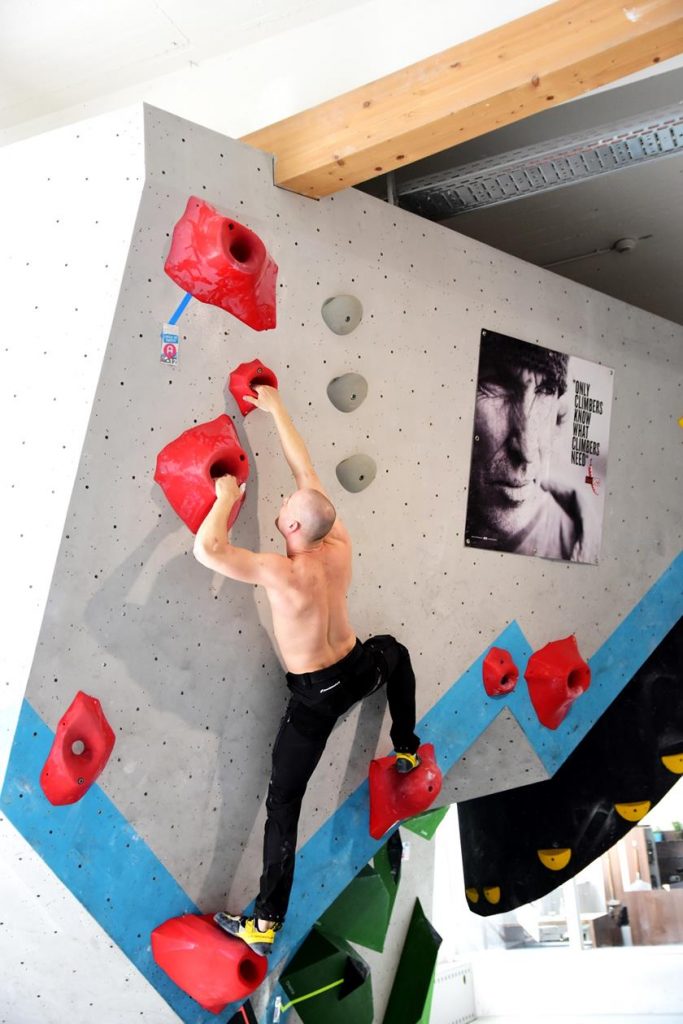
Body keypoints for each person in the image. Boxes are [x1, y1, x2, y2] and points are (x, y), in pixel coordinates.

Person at [193, 385, 421, 956]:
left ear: (292, 530)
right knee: (394, 652)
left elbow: (210, 551)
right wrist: (275, 410)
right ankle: (409, 744)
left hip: (316, 699)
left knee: (282, 803)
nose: (287, 507)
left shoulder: (279, 572)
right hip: (358, 667)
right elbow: (306, 469)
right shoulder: (337, 541)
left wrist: (224, 495)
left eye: (288, 513)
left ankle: (266, 919)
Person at [465, 331, 599, 562]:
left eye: (545, 390)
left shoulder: (570, 546)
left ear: (558, 419)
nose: (527, 451)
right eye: (499, 385)